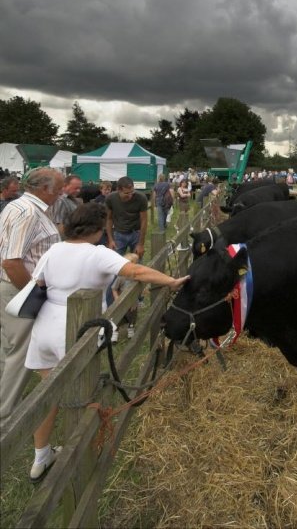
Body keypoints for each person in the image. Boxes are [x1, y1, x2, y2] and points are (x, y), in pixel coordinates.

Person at [24, 202, 189, 482]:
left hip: (45, 327)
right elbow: (135, 273)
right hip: (76, 327)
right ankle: (83, 458)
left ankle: (41, 458)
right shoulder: (97, 253)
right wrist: (170, 281)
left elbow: (38, 282)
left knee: (48, 395)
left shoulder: (54, 250)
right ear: (98, 229)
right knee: (84, 394)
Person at [0, 167, 63, 421]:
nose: (60, 194)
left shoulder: (19, 207)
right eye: (58, 189)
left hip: (10, 286)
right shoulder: (28, 213)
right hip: (15, 287)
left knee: (7, 349)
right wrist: (32, 295)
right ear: (44, 189)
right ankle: (5, 415)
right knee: (22, 352)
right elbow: (12, 262)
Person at [105, 177, 148, 260]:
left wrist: (141, 244)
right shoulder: (110, 198)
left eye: (132, 192)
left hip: (136, 233)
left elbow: (144, 220)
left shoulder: (141, 198)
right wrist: (110, 240)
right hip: (119, 234)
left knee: (137, 263)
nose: (130, 195)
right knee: (116, 263)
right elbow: (109, 219)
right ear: (118, 190)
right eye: (126, 193)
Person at [112, 252, 139, 339]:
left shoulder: (136, 278)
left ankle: (130, 331)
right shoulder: (121, 278)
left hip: (132, 303)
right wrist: (117, 298)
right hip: (121, 302)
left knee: (132, 317)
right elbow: (114, 288)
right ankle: (114, 335)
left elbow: (138, 290)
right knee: (118, 319)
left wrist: (136, 301)